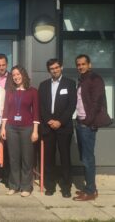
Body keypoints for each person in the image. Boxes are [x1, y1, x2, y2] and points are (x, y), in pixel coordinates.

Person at [73, 54, 111, 201]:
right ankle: (90, 188)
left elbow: (96, 103)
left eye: (83, 64)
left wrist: (87, 122)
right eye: (78, 64)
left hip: (87, 125)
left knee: (88, 158)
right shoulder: (82, 79)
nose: (80, 66)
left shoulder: (95, 79)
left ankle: (90, 192)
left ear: (90, 64)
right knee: (85, 158)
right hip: (81, 123)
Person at [38, 58, 76, 198]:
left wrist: (60, 121)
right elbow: (41, 106)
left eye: (56, 67)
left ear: (61, 67)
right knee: (49, 159)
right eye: (51, 68)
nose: (54, 70)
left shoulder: (70, 83)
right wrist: (49, 120)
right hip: (48, 127)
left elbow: (72, 105)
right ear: (49, 70)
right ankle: (50, 186)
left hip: (64, 127)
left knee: (65, 158)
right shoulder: (43, 85)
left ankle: (66, 187)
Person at [0, 65, 39, 197]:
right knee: (13, 158)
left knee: (27, 158)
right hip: (11, 128)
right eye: (14, 75)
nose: (16, 77)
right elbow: (6, 111)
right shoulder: (10, 92)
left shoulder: (32, 91)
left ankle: (26, 187)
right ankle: (14, 185)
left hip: (27, 128)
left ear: (23, 75)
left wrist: (35, 131)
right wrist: (3, 128)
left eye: (18, 74)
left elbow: (36, 114)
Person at [0, 53, 13, 186]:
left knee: (8, 148)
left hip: (10, 118)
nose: (1, 67)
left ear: (7, 64)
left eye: (3, 65)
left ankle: (7, 177)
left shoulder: (14, 77)